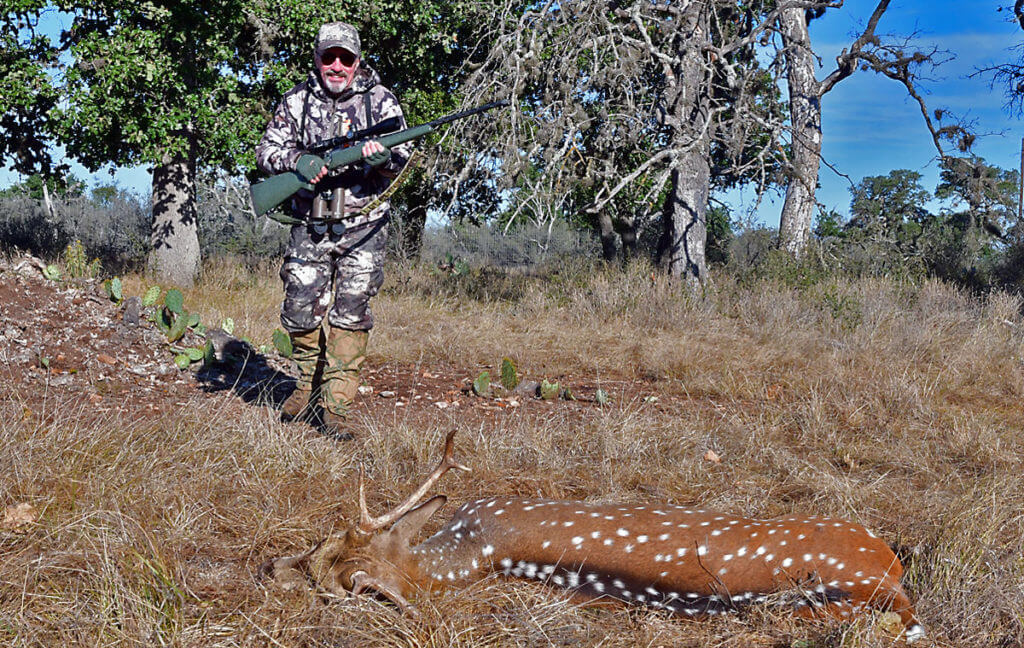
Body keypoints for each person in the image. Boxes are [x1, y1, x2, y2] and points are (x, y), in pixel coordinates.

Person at [256, 21, 411, 439]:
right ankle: (306, 385)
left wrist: (383, 160)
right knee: (299, 307)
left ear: (358, 62)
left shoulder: (380, 101)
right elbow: (267, 151)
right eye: (330, 57)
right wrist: (299, 162)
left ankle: (336, 405)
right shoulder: (296, 102)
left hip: (364, 225)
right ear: (318, 59)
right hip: (310, 222)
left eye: (346, 58)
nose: (337, 66)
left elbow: (404, 152)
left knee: (352, 311)